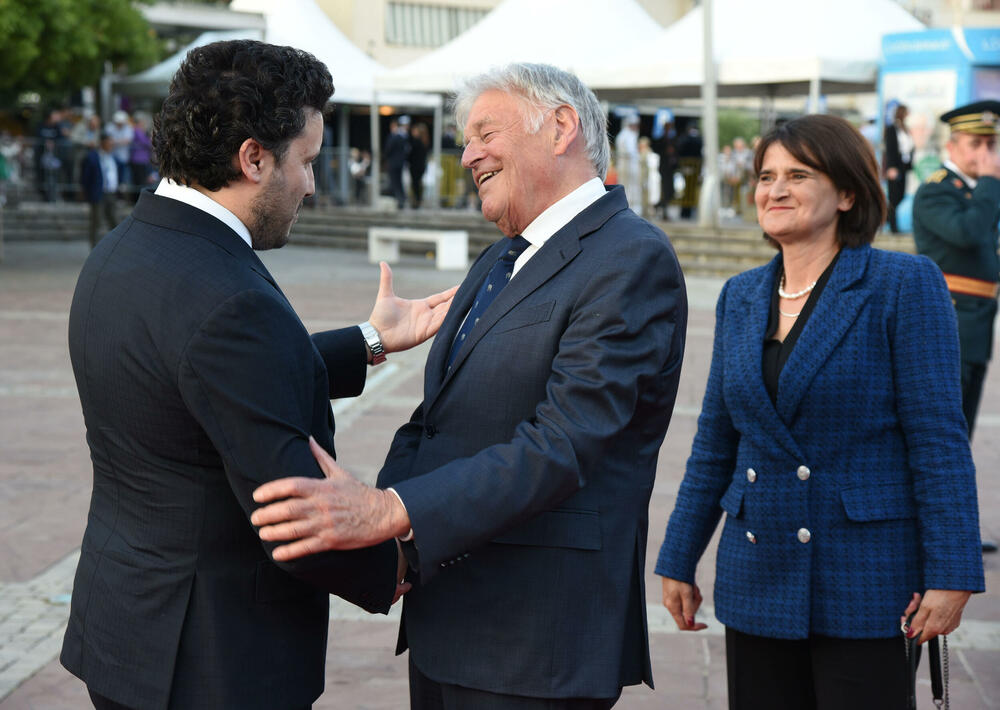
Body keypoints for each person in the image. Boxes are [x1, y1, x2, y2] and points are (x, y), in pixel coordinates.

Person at [252, 62, 688, 709]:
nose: (469, 153)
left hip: (536, 644)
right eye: (465, 139)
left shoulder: (630, 257)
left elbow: (563, 443)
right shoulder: (500, 256)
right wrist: (389, 545)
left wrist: (391, 510)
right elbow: (439, 421)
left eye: (485, 132)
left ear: (562, 126)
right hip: (449, 621)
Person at [61, 39, 455, 710]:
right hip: (215, 661)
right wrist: (396, 565)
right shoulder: (231, 298)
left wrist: (369, 341)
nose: (309, 183)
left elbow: (203, 381)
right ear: (253, 158)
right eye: (306, 161)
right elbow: (292, 515)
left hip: (128, 633)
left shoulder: (123, 250)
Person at [656, 114, 984, 710]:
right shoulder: (741, 295)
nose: (774, 189)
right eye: (765, 176)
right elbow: (714, 443)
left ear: (848, 192)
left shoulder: (902, 283)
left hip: (865, 574)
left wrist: (953, 572)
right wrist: (679, 556)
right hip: (757, 566)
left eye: (798, 174)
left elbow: (938, 440)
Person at [912, 99, 1000, 554]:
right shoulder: (935, 190)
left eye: (992, 143)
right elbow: (967, 234)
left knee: (961, 436)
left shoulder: (985, 190)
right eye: (977, 143)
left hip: (979, 325)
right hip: (947, 323)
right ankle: (938, 535)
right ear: (952, 145)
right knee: (943, 436)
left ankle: (957, 530)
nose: (986, 152)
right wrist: (988, 182)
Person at [79, 132, 118, 248]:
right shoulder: (92, 157)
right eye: (109, 141)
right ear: (103, 142)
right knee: (96, 222)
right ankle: (94, 247)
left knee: (114, 220)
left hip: (111, 192)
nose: (111, 144)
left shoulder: (113, 157)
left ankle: (117, 247)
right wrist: (86, 192)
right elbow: (85, 177)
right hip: (98, 193)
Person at [883, 103, 913, 233]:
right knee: (894, 197)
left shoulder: (905, 129)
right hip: (894, 166)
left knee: (900, 195)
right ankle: (892, 225)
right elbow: (890, 149)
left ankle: (888, 219)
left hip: (904, 166)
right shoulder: (892, 129)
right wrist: (891, 167)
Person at [615, 112, 642, 214]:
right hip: (628, 165)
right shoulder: (628, 135)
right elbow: (631, 152)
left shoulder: (624, 134)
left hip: (626, 164)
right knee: (629, 187)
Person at [386, 115, 411, 209]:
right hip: (399, 163)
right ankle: (400, 199)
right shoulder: (402, 136)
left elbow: (388, 149)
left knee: (396, 182)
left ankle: (400, 199)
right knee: (397, 182)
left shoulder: (396, 136)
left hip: (395, 163)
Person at [408, 121, 430, 208]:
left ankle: (417, 201)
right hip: (421, 166)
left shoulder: (416, 142)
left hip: (415, 166)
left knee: (415, 184)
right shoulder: (425, 141)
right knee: (418, 184)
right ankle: (418, 199)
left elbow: (410, 154)